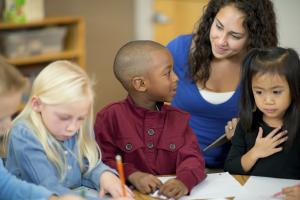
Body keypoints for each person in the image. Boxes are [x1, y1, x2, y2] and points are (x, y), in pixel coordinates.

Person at [166, 0, 278, 169]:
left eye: (235, 36)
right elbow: (143, 105)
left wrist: (246, 132)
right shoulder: (179, 49)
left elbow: (280, 127)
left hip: (235, 168)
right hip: (173, 164)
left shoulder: (264, 66)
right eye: (218, 26)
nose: (221, 41)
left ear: (253, 37)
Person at [5, 60, 134, 200]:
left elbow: (88, 165)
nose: (72, 128)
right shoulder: (24, 134)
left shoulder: (78, 127)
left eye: (80, 118)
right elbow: (47, 187)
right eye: (64, 117)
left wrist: (105, 176)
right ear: (37, 105)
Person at [94, 40, 206, 199]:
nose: (176, 78)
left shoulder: (178, 118)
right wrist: (132, 174)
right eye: (168, 73)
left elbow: (193, 159)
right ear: (140, 84)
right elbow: (100, 162)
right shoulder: (109, 117)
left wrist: (183, 181)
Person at [0, 59, 84, 200]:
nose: (9, 125)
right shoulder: (24, 134)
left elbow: (5, 185)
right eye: (0, 118)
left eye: (10, 116)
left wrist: (51, 198)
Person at [224, 47, 300, 179]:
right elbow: (230, 168)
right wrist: (255, 152)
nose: (268, 101)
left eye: (276, 92)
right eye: (259, 92)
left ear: (294, 88)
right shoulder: (246, 124)